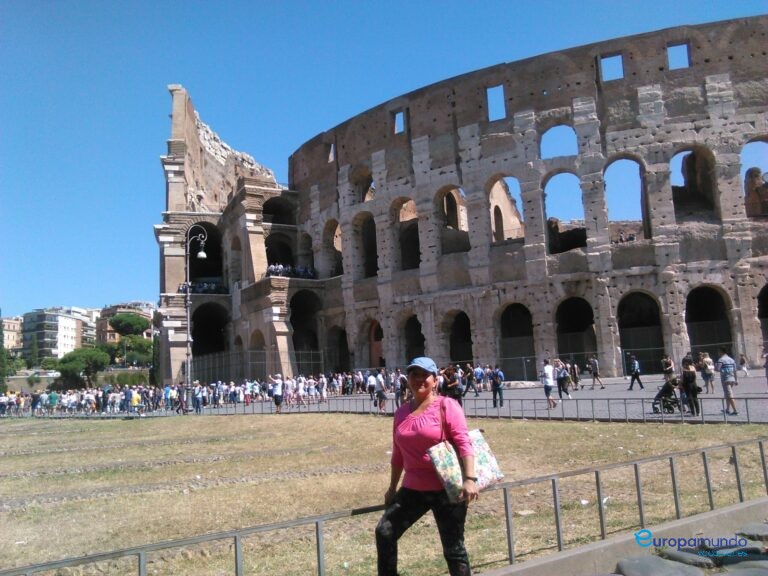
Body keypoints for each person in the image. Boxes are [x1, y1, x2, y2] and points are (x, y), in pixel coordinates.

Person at [376, 357, 477, 576]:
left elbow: (463, 442)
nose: (419, 380)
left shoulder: (447, 405)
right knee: (384, 531)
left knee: (453, 549)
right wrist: (392, 488)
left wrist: (470, 479)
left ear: (435, 380)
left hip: (448, 488)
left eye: (425, 375)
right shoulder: (401, 412)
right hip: (414, 488)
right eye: (414, 375)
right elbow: (398, 455)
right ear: (408, 378)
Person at [715, 347, 738, 416]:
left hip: (725, 379)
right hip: (732, 379)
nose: (718, 353)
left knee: (729, 395)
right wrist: (736, 380)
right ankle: (727, 409)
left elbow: (717, 369)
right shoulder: (732, 359)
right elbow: (735, 370)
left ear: (721, 352)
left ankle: (735, 410)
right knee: (727, 394)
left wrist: (716, 366)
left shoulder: (721, 359)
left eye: (719, 351)